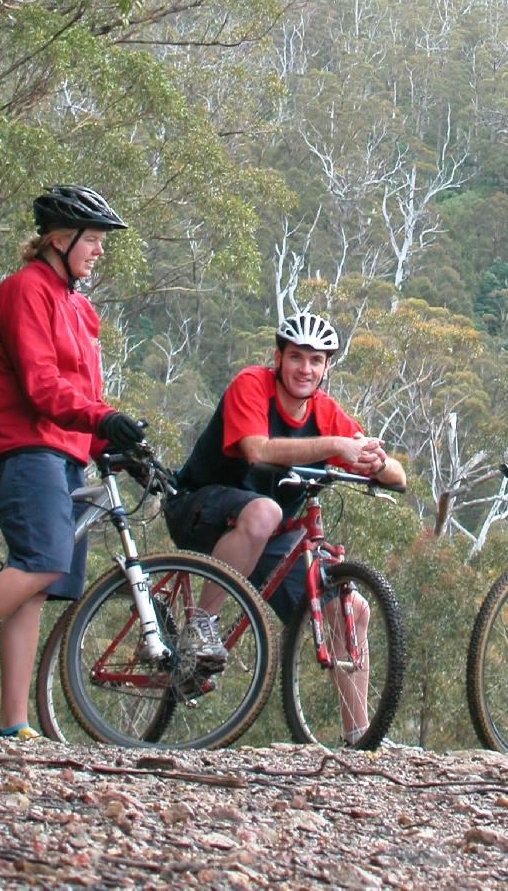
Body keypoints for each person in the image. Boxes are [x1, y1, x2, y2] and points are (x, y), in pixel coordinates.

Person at [0, 185, 146, 738]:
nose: (100, 250)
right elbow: (42, 387)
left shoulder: (79, 307)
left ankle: (13, 722)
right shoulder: (24, 292)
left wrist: (110, 444)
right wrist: (101, 418)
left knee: (39, 581)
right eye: (93, 240)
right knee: (43, 557)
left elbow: (85, 391)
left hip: (64, 449)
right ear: (59, 240)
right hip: (25, 445)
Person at [164, 311, 404, 741]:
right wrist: (337, 447)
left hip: (272, 536)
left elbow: (399, 477)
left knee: (350, 610)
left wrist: (377, 462)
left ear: (327, 366)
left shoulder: (326, 411)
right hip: (199, 508)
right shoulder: (251, 385)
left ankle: (360, 737)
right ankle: (201, 624)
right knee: (265, 511)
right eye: (296, 357)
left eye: (316, 360)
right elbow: (257, 450)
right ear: (278, 358)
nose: (305, 369)